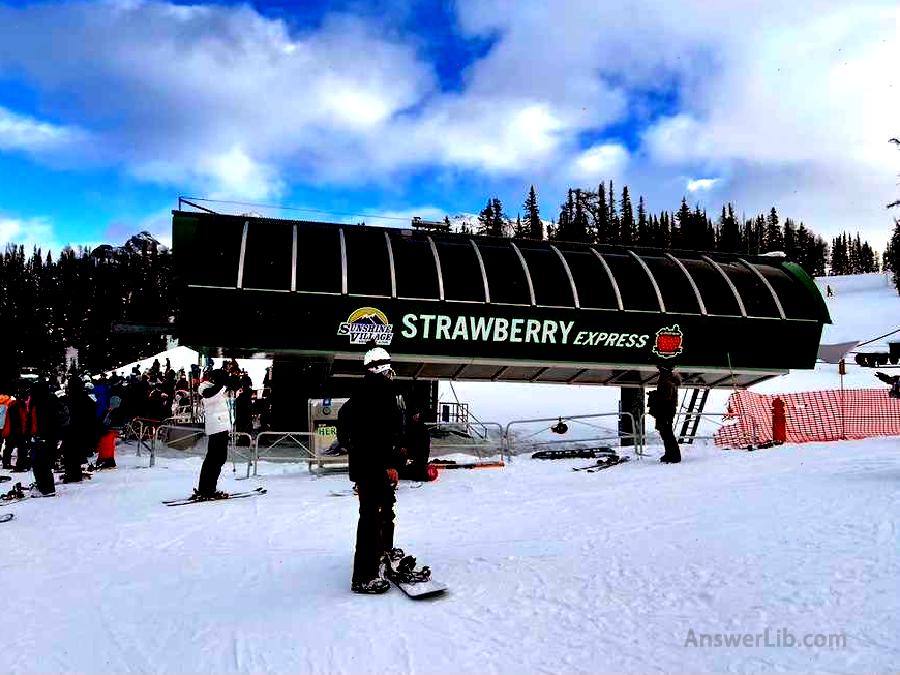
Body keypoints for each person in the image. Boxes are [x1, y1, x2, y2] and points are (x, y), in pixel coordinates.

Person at [346, 347, 403, 594]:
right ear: (381, 367)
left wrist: (354, 449)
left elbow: (344, 421)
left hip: (366, 465)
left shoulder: (361, 391)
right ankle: (364, 576)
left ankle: (382, 551)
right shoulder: (382, 391)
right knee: (372, 517)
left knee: (381, 512)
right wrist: (389, 463)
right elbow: (386, 432)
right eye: (388, 366)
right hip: (375, 466)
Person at [194, 369, 233, 500]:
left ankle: (210, 488)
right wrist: (221, 385)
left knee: (219, 458)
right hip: (216, 427)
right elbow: (209, 395)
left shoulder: (219, 388)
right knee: (213, 459)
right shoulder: (205, 387)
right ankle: (206, 489)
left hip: (222, 427)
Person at [648, 364, 682, 464]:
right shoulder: (668, 382)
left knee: (666, 433)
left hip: (664, 411)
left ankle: (673, 455)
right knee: (666, 433)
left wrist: (654, 396)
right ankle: (671, 454)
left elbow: (665, 397)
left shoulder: (667, 383)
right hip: (666, 411)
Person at [400, 402, 432, 481]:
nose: (416, 416)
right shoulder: (408, 428)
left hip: (419, 458)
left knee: (420, 474)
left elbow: (424, 447)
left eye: (417, 414)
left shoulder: (423, 429)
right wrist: (403, 448)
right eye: (415, 415)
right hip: (409, 457)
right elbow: (404, 441)